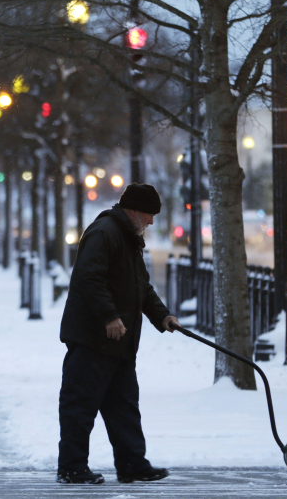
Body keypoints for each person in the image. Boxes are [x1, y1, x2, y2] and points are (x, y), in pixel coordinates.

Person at [57, 183, 178, 485]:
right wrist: (109, 316)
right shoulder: (105, 233)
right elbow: (89, 277)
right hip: (92, 339)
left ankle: (132, 464)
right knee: (80, 406)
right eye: (149, 215)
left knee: (124, 408)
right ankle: (71, 467)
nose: (151, 222)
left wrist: (162, 316)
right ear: (134, 210)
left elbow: (141, 287)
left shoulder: (127, 237)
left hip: (119, 342)